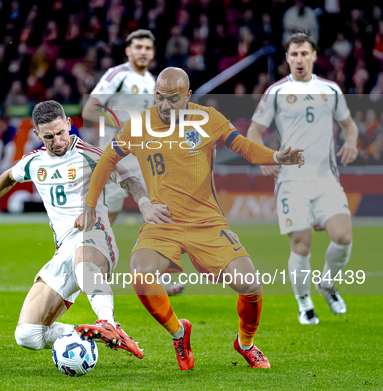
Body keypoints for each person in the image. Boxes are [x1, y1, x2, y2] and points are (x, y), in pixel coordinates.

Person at [83, 67, 305, 370]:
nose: (164, 105)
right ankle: (179, 333)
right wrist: (90, 205)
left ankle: (246, 343)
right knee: (140, 275)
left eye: (173, 99)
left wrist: (276, 156)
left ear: (188, 95)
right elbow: (108, 159)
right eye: (159, 98)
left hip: (207, 223)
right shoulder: (138, 124)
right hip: (163, 224)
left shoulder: (207, 118)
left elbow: (243, 148)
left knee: (250, 285)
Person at [0, 100, 172, 358]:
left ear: (68, 124)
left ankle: (108, 322)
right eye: (49, 137)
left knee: (83, 265)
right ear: (37, 135)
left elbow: (129, 179)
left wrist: (145, 205)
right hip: (63, 249)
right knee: (28, 335)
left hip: (95, 237)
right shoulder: (34, 162)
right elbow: (7, 177)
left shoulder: (90, 155)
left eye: (61, 132)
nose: (57, 141)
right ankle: (84, 334)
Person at [247, 33, 358, 325]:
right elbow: (254, 132)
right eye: (293, 54)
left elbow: (349, 126)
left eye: (303, 54)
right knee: (301, 244)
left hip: (326, 180)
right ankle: (303, 301)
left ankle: (327, 283)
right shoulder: (276, 92)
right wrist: (265, 158)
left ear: (313, 56)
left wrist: (351, 142)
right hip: (291, 181)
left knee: (343, 237)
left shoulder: (331, 89)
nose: (298, 59)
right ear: (287, 58)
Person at [83, 30, 185, 296]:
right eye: (138, 46)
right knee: (106, 218)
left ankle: (159, 275)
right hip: (116, 159)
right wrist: (123, 125)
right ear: (128, 50)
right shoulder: (117, 75)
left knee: (160, 213)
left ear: (153, 53)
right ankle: (90, 269)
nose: (143, 52)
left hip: (147, 159)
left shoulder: (154, 81)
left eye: (148, 48)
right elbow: (89, 109)